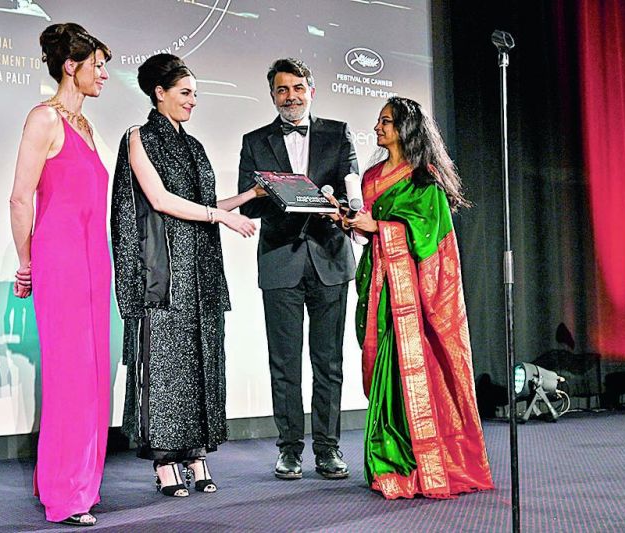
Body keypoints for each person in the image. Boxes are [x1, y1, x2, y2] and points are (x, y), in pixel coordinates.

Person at [111, 53, 260, 498]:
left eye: (195, 94)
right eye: (185, 92)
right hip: (165, 270)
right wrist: (222, 217)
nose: (193, 101)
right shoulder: (138, 137)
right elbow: (159, 200)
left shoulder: (193, 146)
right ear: (159, 92)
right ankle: (164, 460)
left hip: (201, 270)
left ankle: (195, 451)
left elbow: (204, 205)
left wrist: (252, 195)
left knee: (201, 360)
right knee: (165, 364)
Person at [342, 97, 494, 499]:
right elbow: (371, 229)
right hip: (379, 288)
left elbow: (428, 240)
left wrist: (378, 225)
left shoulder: (424, 180)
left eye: (386, 122)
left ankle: (421, 464)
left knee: (411, 372)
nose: (377, 128)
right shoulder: (372, 176)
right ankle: (390, 463)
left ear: (405, 129)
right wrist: (353, 224)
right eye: (378, 121)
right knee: (383, 380)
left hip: (413, 301)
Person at [9, 23, 111, 526]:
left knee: (93, 375)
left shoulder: (89, 128)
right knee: (71, 376)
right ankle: (65, 493)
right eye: (97, 64)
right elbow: (21, 197)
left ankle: (80, 483)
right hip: (61, 260)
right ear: (70, 66)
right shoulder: (44, 119)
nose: (104, 74)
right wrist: (27, 263)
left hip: (95, 262)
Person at [238, 58, 358, 480]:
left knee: (329, 362)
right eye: (282, 90)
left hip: (330, 258)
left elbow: (352, 190)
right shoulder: (254, 141)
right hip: (280, 260)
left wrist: (339, 205)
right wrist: (279, 194)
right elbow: (248, 203)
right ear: (272, 95)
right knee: (284, 363)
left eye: (297, 88)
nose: (291, 96)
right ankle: (289, 449)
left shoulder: (338, 133)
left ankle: (328, 449)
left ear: (312, 89)